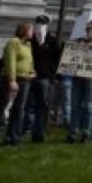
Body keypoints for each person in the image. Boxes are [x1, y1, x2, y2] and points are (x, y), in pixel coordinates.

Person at [66, 21, 92, 143]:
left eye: (90, 29)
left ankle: (86, 133)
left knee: (89, 107)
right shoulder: (80, 41)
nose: (88, 31)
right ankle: (72, 134)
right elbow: (70, 55)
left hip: (91, 79)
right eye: (87, 29)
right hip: (78, 78)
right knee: (75, 107)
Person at [1, 21, 35, 145]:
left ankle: (13, 136)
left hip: (26, 79)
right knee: (12, 108)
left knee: (19, 109)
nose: (33, 32)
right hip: (15, 80)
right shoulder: (13, 42)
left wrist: (32, 71)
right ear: (25, 30)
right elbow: (10, 61)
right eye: (31, 29)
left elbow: (29, 62)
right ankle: (11, 136)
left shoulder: (28, 45)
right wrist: (12, 80)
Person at [29, 14, 60, 142]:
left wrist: (54, 74)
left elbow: (57, 59)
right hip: (29, 76)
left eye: (43, 23)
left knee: (42, 105)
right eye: (38, 22)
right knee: (29, 105)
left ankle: (39, 132)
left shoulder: (52, 40)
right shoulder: (30, 39)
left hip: (45, 77)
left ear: (47, 25)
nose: (40, 25)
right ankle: (28, 129)